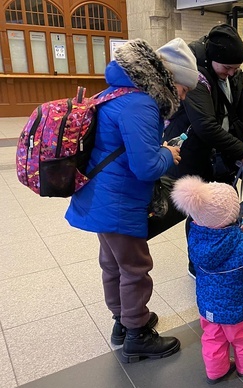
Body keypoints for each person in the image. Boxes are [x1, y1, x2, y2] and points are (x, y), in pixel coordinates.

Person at [65, 38, 199, 363]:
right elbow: (145, 167)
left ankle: (121, 324)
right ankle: (138, 334)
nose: (181, 99)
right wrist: (168, 154)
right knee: (135, 267)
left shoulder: (113, 92)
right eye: (182, 90)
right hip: (120, 201)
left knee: (112, 265)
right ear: (170, 79)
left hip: (99, 195)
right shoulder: (141, 103)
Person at [160, 24, 243, 276]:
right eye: (226, 68)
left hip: (221, 156)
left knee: (224, 208)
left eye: (235, 69)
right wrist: (241, 151)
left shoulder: (229, 75)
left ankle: (221, 257)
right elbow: (205, 125)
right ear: (212, 58)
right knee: (200, 212)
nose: (230, 73)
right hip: (195, 155)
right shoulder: (195, 75)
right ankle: (197, 264)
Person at [171, 176, 243, 384]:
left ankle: (216, 370)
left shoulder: (195, 237)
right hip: (240, 307)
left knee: (212, 339)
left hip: (208, 307)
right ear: (231, 215)